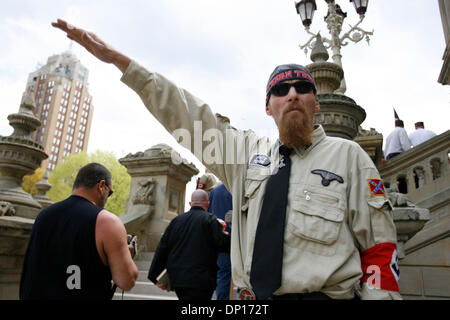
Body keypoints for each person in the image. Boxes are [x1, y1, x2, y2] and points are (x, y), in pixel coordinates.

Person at [52, 19, 402, 300]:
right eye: (281, 90)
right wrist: (119, 60)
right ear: (269, 107)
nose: (291, 94)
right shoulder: (246, 155)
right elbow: (185, 113)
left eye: (301, 87)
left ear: (316, 102)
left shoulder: (349, 157)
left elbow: (380, 247)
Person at [20, 163, 139, 299]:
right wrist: (126, 255)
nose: (107, 198)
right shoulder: (107, 221)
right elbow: (127, 281)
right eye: (109, 192)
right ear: (101, 186)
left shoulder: (43, 215)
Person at [148, 189, 230, 300]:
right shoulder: (211, 220)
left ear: (190, 203)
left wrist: (154, 276)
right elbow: (223, 244)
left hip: (179, 279)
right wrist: (226, 235)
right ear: (207, 204)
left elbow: (162, 248)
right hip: (203, 279)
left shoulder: (176, 221)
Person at [208, 183, 233, 300]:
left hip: (220, 240)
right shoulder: (238, 188)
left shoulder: (215, 191)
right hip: (236, 239)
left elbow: (209, 214)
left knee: (223, 275)